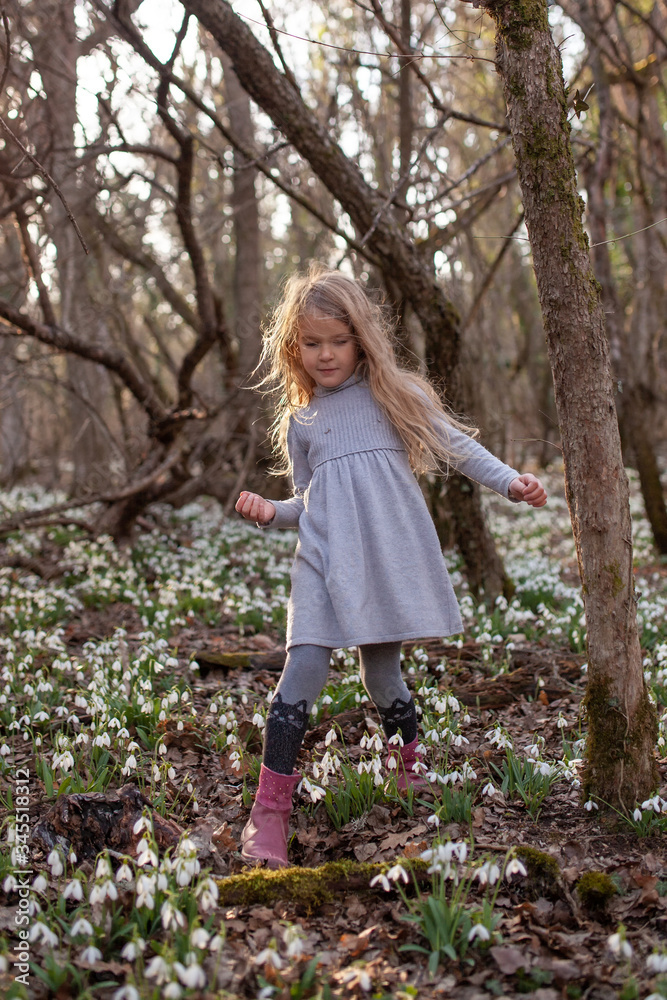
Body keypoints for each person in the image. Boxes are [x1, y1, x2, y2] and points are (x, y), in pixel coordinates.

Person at [235, 265, 547, 867]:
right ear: (293, 347)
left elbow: (458, 445)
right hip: (323, 560)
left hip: (379, 558)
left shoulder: (397, 396)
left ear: (362, 339)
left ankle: (411, 765)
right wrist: (270, 512)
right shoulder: (303, 422)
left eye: (339, 340)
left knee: (383, 677)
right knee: (302, 667)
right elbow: (308, 502)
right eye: (312, 342)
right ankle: (269, 811)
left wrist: (511, 482)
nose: (326, 355)